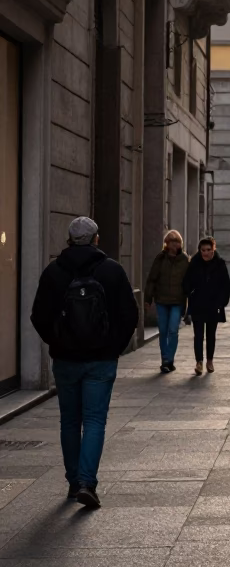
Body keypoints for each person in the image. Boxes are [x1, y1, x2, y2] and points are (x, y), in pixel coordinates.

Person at [30, 216, 138, 509]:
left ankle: (74, 481)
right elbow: (129, 315)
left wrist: (56, 342)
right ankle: (88, 483)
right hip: (101, 360)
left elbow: (38, 316)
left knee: (69, 420)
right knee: (94, 420)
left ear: (69, 239)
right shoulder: (112, 271)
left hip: (66, 359)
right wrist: (113, 346)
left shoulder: (54, 271)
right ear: (96, 239)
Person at [182, 237, 230, 375]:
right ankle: (199, 362)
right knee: (198, 334)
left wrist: (221, 302)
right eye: (203, 250)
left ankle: (209, 360)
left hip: (213, 305)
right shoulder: (194, 263)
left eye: (208, 250)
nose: (205, 253)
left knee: (211, 334)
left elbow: (226, 285)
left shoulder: (220, 264)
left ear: (213, 249)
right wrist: (191, 292)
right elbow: (186, 281)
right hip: (198, 304)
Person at [143, 230, 190, 372]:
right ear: (167, 244)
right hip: (162, 300)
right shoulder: (160, 259)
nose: (175, 244)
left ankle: (169, 359)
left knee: (173, 330)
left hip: (177, 300)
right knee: (163, 330)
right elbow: (152, 279)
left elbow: (189, 281)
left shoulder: (184, 260)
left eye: (177, 241)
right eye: (172, 241)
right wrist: (148, 299)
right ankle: (165, 359)